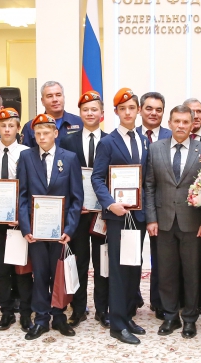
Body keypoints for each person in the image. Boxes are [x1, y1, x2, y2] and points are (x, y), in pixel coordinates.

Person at [145, 104, 201, 338]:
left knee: (192, 273)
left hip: (193, 223)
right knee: (166, 272)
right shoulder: (155, 149)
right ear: (170, 123)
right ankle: (170, 316)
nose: (181, 126)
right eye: (177, 121)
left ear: (193, 124)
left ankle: (190, 319)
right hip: (163, 221)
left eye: (186, 122)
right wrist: (151, 218)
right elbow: (150, 185)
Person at [17, 113, 84, 340]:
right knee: (40, 274)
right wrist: (25, 228)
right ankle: (41, 318)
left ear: (56, 133)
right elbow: (22, 195)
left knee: (59, 274)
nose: (42, 137)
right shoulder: (26, 157)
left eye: (46, 133)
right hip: (36, 229)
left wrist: (70, 229)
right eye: (38, 133)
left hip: (60, 230)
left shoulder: (70, 158)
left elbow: (76, 198)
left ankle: (59, 315)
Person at [92, 88, 149, 345]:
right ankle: (117, 325)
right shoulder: (107, 142)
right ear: (115, 112)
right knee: (117, 269)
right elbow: (97, 178)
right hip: (117, 215)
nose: (128, 112)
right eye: (122, 108)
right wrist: (110, 204)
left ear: (138, 110)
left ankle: (127, 316)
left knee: (133, 267)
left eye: (132, 108)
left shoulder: (143, 141)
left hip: (138, 215)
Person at [60, 92, 107, 327]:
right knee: (78, 261)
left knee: (102, 262)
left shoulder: (110, 140)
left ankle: (102, 309)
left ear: (102, 113)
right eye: (85, 109)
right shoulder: (67, 141)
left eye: (94, 109)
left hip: (102, 213)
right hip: (77, 213)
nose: (90, 113)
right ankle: (78, 309)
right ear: (79, 113)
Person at [0, 108, 31, 330]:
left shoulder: (26, 152)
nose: (7, 129)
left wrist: (21, 216)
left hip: (19, 220)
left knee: (21, 267)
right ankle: (6, 311)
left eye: (11, 125)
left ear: (18, 128)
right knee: (2, 269)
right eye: (3, 125)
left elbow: (29, 186)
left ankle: (25, 312)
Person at [136, 91, 170, 318]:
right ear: (140, 110)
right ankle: (132, 298)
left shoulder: (171, 136)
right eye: (149, 108)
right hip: (132, 208)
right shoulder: (129, 135)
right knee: (132, 256)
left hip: (162, 208)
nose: (153, 113)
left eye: (158, 109)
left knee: (161, 259)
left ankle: (159, 302)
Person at [21, 81, 83, 148]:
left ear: (63, 97)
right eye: (49, 96)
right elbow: (25, 153)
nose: (55, 99)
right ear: (42, 101)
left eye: (58, 95)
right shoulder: (30, 127)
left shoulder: (80, 122)